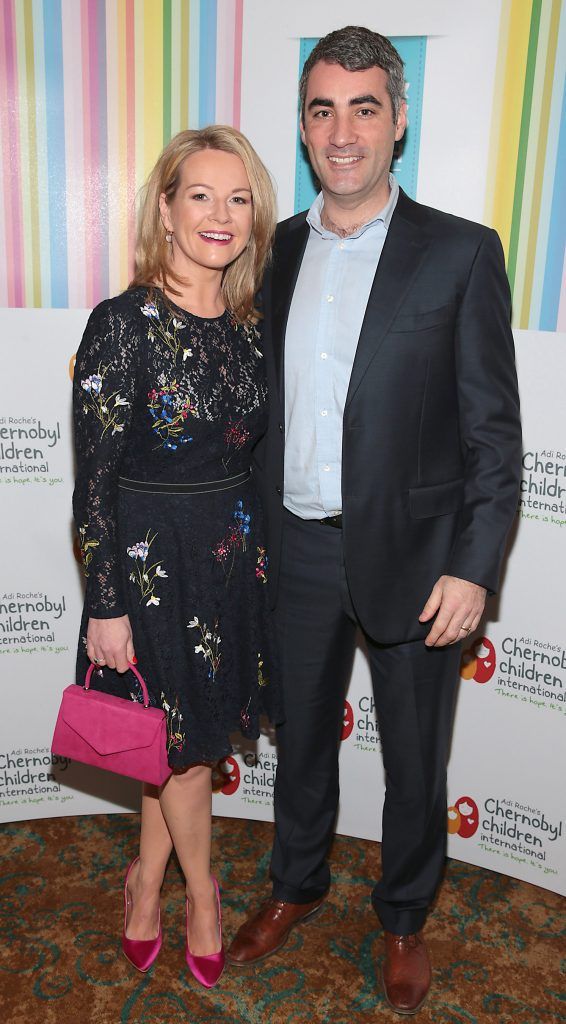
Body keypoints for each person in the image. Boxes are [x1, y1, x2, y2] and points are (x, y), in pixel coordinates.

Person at [226, 25, 522, 1015]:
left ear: (398, 121)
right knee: (299, 736)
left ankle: (401, 915)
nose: (341, 131)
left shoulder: (459, 253)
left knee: (411, 754)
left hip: (420, 557)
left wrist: (474, 565)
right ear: (303, 127)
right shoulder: (273, 252)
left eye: (363, 107)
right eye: (321, 109)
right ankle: (294, 882)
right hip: (297, 547)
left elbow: (490, 432)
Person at [72, 125, 280, 988]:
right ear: (166, 207)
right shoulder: (123, 325)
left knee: (178, 745)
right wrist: (106, 604)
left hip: (230, 561)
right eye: (201, 195)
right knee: (184, 754)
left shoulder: (247, 324)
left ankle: (144, 878)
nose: (220, 215)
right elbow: (94, 483)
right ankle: (201, 895)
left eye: (238, 199)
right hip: (152, 570)